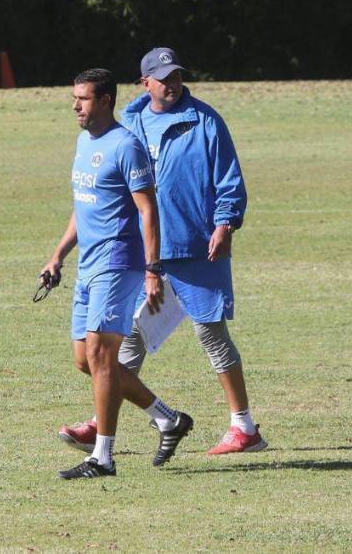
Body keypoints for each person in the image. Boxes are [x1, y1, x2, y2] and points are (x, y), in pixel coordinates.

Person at [57, 49, 266, 456]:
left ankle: (244, 427)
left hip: (196, 246)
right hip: (142, 251)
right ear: (144, 83)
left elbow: (229, 179)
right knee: (125, 338)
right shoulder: (131, 121)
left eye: (176, 76)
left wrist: (224, 224)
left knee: (212, 334)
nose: (171, 84)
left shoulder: (205, 120)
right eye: (162, 78)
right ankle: (103, 425)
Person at [41, 68, 194, 480]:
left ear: (106, 101)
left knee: (101, 355)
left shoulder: (127, 146)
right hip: (88, 263)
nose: (76, 106)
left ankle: (102, 458)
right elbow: (84, 203)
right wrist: (58, 255)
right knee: (83, 359)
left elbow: (148, 210)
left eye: (84, 99)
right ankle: (167, 418)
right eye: (74, 98)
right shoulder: (82, 142)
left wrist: (152, 269)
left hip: (118, 261)